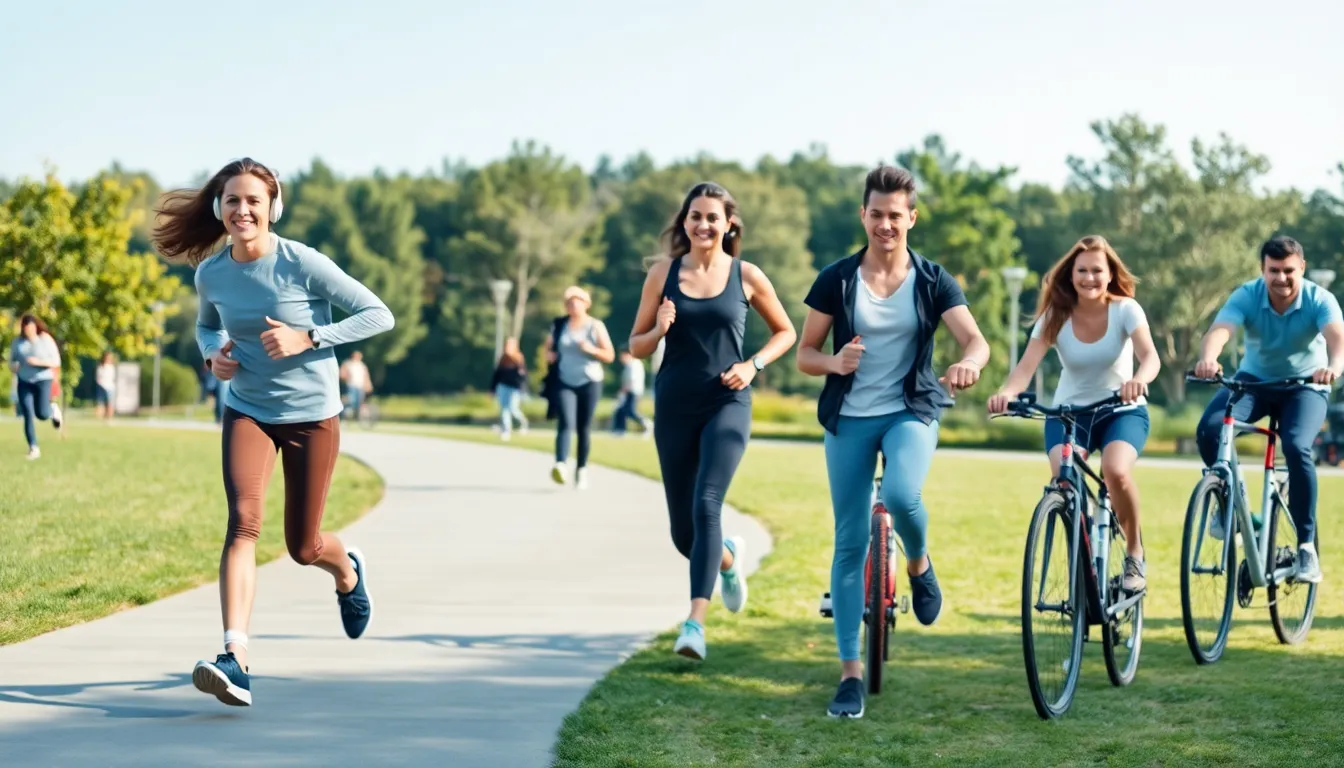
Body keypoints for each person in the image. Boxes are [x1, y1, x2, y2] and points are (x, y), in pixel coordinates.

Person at [151, 157, 395, 707]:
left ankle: (347, 572)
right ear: (220, 208)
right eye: (232, 201)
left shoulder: (301, 262)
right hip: (248, 410)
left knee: (303, 547)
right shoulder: (211, 273)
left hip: (312, 415)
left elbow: (378, 314)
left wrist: (310, 337)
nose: (242, 210)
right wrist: (213, 355)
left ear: (272, 208)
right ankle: (234, 658)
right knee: (242, 524)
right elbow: (207, 325)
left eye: (253, 201)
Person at [796, 164, 991, 718]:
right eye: (876, 214)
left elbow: (975, 341)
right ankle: (850, 676)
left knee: (902, 496)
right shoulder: (836, 279)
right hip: (849, 418)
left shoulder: (932, 280)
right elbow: (805, 354)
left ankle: (919, 564)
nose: (886, 224)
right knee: (850, 541)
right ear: (863, 215)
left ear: (912, 218)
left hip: (910, 410)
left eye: (895, 216)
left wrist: (970, 364)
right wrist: (834, 361)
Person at [628, 181, 797, 661]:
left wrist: (753, 365)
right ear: (684, 222)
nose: (703, 225)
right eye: (695, 216)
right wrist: (660, 328)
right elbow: (635, 346)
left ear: (729, 225)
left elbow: (786, 332)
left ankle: (694, 625)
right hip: (675, 406)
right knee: (684, 535)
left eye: (712, 217)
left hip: (728, 403)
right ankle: (727, 558)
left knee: (707, 505)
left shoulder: (747, 275)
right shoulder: (662, 274)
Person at [988, 235, 1160, 592]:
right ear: (1071, 274)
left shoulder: (1126, 310)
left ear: (1110, 275)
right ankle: (1087, 556)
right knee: (1064, 481)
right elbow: (1025, 369)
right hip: (1069, 415)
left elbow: (1151, 358)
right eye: (1082, 271)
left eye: (1097, 270)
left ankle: (1134, 553)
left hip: (1121, 411)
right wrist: (1006, 393)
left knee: (1115, 470)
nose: (1089, 278)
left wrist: (1139, 381)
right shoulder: (1055, 316)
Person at [1193, 235, 1344, 584]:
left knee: (1296, 445)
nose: (1281, 278)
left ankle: (1306, 547)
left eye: (1288, 270)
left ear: (1301, 268)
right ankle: (1231, 504)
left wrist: (1333, 367)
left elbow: (1338, 341)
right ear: (1262, 270)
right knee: (1211, 430)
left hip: (1305, 386)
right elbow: (1220, 330)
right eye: (1273, 270)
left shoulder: (1319, 299)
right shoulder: (1247, 295)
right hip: (1255, 383)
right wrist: (1209, 359)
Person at [543, 286, 615, 489]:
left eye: (577, 301)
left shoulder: (595, 326)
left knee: (584, 427)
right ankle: (561, 464)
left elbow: (609, 355)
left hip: (590, 381)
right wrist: (549, 355)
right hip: (564, 380)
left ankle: (581, 468)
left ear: (586, 304)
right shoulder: (559, 325)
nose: (573, 305)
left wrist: (591, 349)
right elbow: (548, 346)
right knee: (566, 421)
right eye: (569, 302)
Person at [8, 314, 62, 459]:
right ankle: (33, 447)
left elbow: (56, 361)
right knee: (27, 413)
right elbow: (11, 362)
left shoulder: (45, 340)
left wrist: (37, 362)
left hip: (43, 380)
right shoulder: (17, 342)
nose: (28, 331)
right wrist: (14, 366)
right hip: (24, 381)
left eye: (31, 328)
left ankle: (52, 409)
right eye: (26, 328)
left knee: (42, 414)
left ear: (36, 327)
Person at [490, 336, 530, 440]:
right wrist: (492, 389)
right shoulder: (503, 359)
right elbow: (497, 375)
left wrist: (523, 389)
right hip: (503, 386)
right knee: (504, 409)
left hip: (515, 388)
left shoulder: (519, 358)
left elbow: (524, 376)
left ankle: (523, 423)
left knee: (513, 408)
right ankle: (506, 430)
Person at [610, 347, 650, 437]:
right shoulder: (629, 365)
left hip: (633, 391)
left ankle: (646, 423)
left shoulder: (634, 364)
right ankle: (620, 430)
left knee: (630, 411)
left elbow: (631, 381)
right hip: (630, 391)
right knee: (621, 410)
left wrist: (622, 392)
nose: (621, 358)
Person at [339, 350, 372, 420]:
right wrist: (346, 376)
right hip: (351, 385)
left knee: (359, 402)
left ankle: (356, 416)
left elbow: (366, 376)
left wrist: (368, 384)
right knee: (351, 401)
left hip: (360, 386)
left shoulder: (362, 365)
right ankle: (343, 413)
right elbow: (341, 373)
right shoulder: (348, 363)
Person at [94, 351, 117, 421]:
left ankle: (109, 417)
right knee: (100, 403)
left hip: (110, 387)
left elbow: (113, 378)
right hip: (102, 386)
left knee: (110, 403)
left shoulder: (112, 367)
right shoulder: (100, 366)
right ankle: (101, 417)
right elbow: (98, 378)